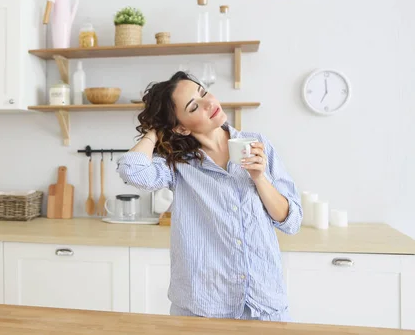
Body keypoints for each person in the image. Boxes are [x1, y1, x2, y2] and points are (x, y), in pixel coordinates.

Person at [116, 71, 302, 321]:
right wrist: (155, 131)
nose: (209, 103)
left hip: (263, 306)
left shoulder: (259, 145)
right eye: (194, 106)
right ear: (181, 126)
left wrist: (259, 177)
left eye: (203, 93)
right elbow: (132, 170)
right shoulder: (178, 165)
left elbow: (291, 221)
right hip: (203, 308)